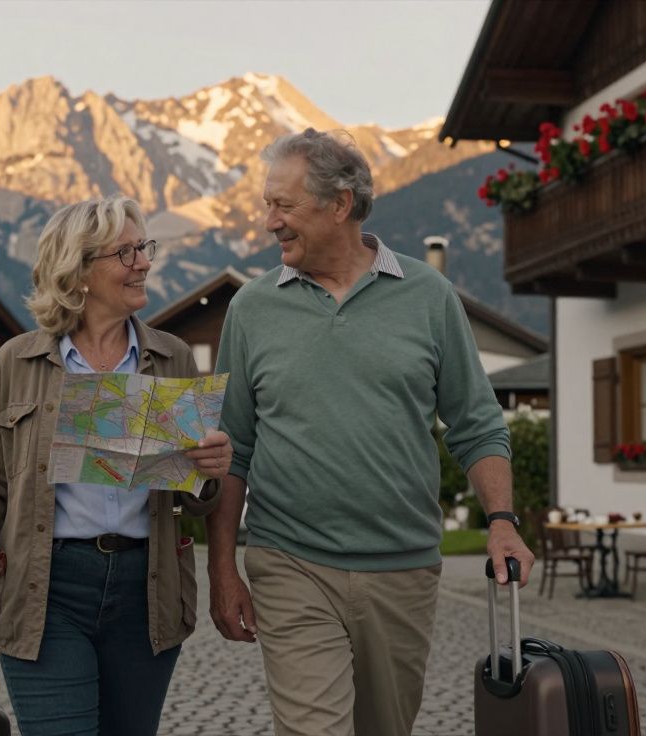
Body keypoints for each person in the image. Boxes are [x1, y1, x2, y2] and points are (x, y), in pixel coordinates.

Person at [206, 129, 535, 736]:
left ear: (339, 205)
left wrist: (501, 523)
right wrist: (222, 569)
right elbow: (234, 449)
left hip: (401, 567)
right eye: (267, 204)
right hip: (290, 561)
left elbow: (478, 424)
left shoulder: (429, 296)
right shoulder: (252, 309)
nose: (269, 221)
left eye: (284, 205)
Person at [0, 195, 232, 736]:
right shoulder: (17, 361)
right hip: (45, 590)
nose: (144, 262)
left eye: (144, 247)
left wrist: (210, 468)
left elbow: (193, 497)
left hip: (147, 590)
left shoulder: (174, 358)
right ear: (79, 271)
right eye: (126, 252)